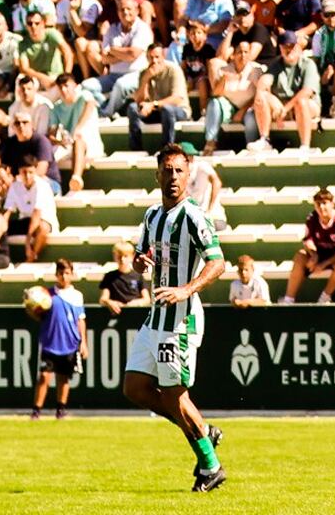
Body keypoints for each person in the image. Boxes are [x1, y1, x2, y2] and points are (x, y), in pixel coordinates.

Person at [121, 143, 227, 492]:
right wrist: (139, 263)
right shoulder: (152, 215)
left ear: (188, 175)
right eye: (167, 170)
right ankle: (202, 430)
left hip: (179, 322)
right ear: (157, 174)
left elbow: (217, 262)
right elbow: (141, 254)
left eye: (179, 171)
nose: (173, 177)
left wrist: (187, 289)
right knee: (134, 387)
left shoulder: (195, 216)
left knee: (174, 397)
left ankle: (210, 465)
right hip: (155, 318)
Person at [31, 258, 89, 421]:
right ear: (56, 274)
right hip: (50, 342)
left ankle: (60, 409)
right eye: (61, 273)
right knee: (44, 376)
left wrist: (83, 342)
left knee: (63, 377)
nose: (64, 276)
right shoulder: (47, 295)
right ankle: (36, 410)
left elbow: (80, 320)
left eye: (67, 273)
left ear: (72, 274)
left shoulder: (77, 296)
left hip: (69, 342)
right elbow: (39, 315)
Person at [282, 187, 335, 305]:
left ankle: (324, 297)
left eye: (324, 203)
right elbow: (307, 240)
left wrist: (323, 264)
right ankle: (288, 300)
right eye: (318, 204)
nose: (321, 207)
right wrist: (314, 255)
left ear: (332, 204)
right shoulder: (312, 217)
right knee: (300, 256)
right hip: (320, 253)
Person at [99, 240, 150, 316]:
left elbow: (147, 299)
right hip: (116, 313)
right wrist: (110, 302)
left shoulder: (138, 276)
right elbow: (103, 299)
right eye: (119, 256)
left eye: (125, 256)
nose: (122, 259)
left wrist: (135, 303)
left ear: (132, 256)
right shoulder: (109, 276)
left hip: (135, 314)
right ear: (114, 256)